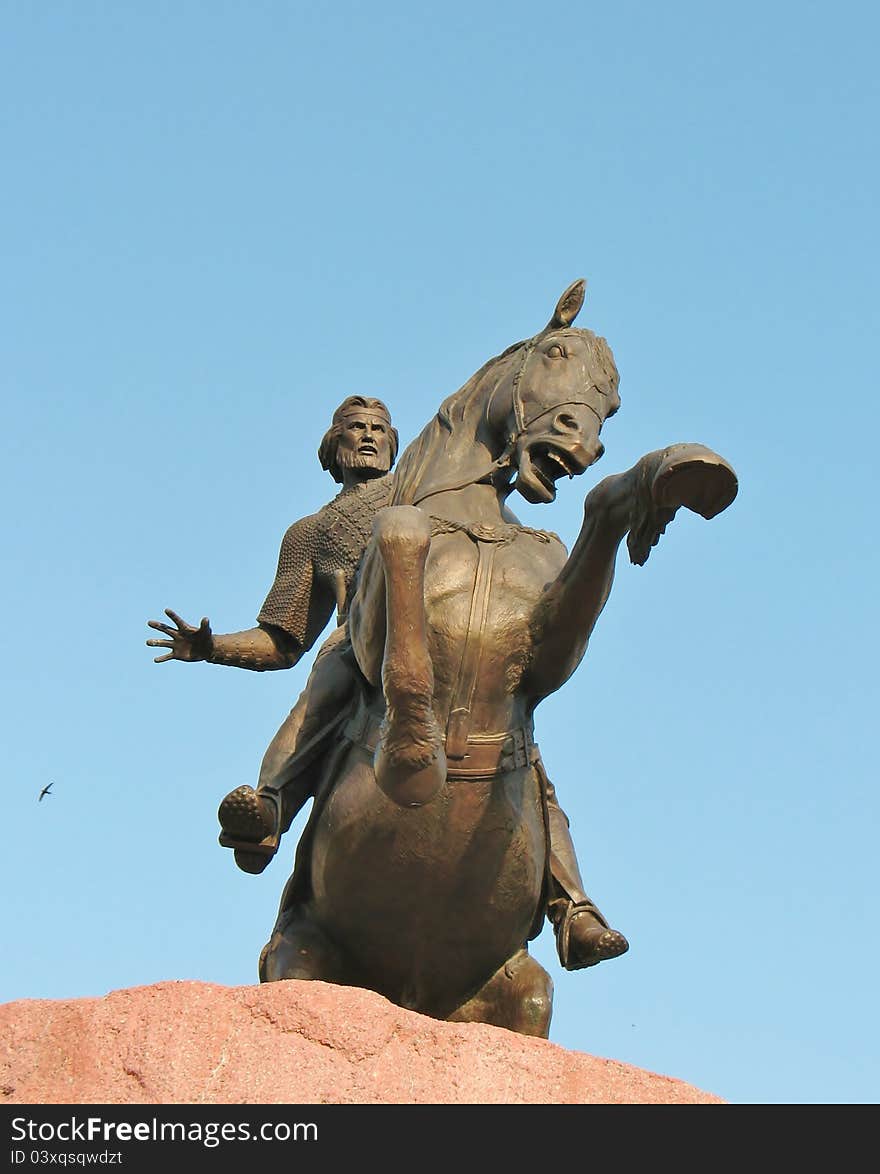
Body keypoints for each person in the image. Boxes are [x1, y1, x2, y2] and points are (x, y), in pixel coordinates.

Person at [147, 395, 627, 970]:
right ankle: (270, 809)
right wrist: (213, 647)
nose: (369, 437)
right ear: (333, 448)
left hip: (451, 645)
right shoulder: (314, 533)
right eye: (355, 430)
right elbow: (283, 639)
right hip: (363, 640)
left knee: (523, 750)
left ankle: (571, 907)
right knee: (323, 692)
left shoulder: (425, 492)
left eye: (379, 429)